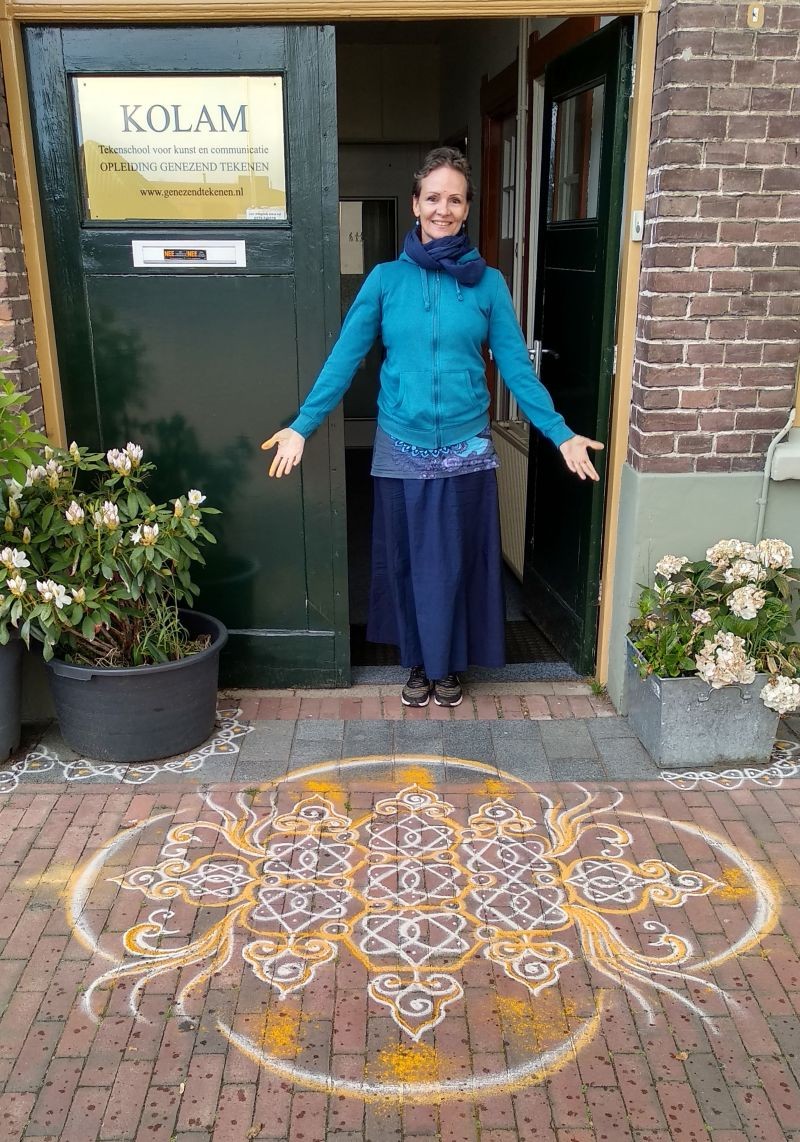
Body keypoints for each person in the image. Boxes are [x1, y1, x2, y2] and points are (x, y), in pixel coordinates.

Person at [262, 147, 602, 709]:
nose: (443, 208)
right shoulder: (385, 281)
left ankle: (450, 668)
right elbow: (345, 359)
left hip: (468, 444)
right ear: (416, 204)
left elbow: (515, 368)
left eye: (456, 199)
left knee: (457, 562)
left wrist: (560, 432)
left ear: (466, 210)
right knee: (408, 562)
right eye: (434, 197)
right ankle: (417, 663)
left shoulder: (488, 284)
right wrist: (302, 426)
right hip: (402, 444)